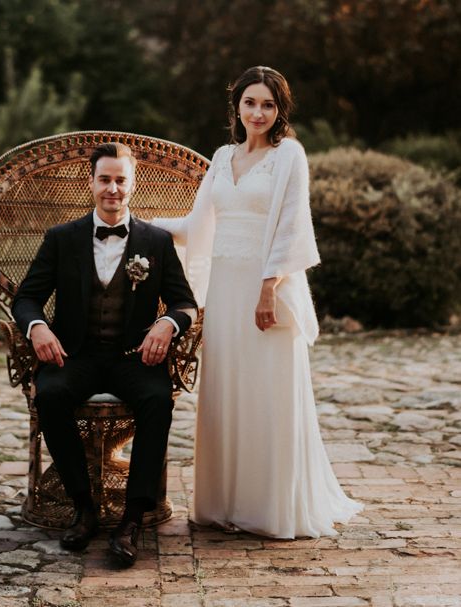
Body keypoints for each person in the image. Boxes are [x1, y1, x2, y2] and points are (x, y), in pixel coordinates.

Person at [152, 66, 362, 538]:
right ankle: (224, 503)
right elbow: (195, 225)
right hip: (225, 291)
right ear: (237, 107)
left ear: (280, 109)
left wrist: (268, 288)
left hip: (265, 288)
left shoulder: (289, 155)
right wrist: (140, 223)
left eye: (268, 104)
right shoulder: (222, 157)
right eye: (251, 103)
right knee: (227, 391)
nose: (259, 112)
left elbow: (292, 226)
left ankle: (268, 508)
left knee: (266, 394)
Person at [12, 142, 197, 564]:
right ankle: (83, 507)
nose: (112, 189)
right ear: (90, 182)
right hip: (74, 355)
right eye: (104, 180)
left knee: (156, 401)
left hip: (134, 358)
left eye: (120, 180)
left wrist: (168, 325)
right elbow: (26, 298)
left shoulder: (156, 241)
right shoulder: (61, 238)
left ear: (133, 184)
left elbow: (185, 303)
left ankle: (132, 519)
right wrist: (37, 327)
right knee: (50, 395)